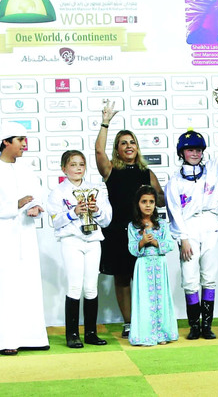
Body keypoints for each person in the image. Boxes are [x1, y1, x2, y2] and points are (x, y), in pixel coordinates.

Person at [95, 100, 165, 338]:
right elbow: (98, 152)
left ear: (137, 147)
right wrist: (105, 122)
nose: (128, 146)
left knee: (144, 278)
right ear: (117, 149)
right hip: (118, 233)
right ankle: (128, 323)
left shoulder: (147, 173)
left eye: (132, 142)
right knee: (123, 279)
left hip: (143, 232)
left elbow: (161, 199)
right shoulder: (110, 170)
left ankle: (147, 320)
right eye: (123, 143)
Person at [0, 121, 49, 356]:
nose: (24, 145)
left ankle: (32, 337)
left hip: (25, 236)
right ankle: (5, 340)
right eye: (20, 140)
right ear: (5, 142)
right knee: (3, 287)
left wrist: (36, 206)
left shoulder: (26, 169)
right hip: (0, 239)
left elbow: (37, 195)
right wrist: (15, 204)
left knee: (28, 284)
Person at [165, 129, 218, 340]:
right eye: (190, 150)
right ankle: (194, 326)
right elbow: (174, 211)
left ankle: (207, 326)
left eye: (198, 150)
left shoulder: (212, 169)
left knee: (209, 277)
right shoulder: (174, 181)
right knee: (190, 278)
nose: (195, 153)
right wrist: (183, 238)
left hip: (210, 223)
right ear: (181, 153)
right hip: (188, 227)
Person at [46, 150, 111, 348]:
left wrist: (96, 210)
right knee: (75, 286)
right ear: (63, 168)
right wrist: (73, 212)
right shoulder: (57, 192)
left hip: (93, 241)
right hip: (71, 241)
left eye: (81, 164)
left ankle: (91, 333)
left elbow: (107, 220)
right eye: (73, 165)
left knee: (91, 286)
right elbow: (56, 222)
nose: (77, 168)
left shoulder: (96, 189)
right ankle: (72, 334)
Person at [127, 185, 178, 346]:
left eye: (151, 201)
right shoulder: (133, 226)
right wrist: (142, 242)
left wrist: (156, 242)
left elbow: (170, 245)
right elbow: (132, 249)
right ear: (138, 204)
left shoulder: (162, 224)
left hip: (159, 265)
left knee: (161, 298)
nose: (148, 205)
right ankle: (146, 335)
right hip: (143, 266)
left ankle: (162, 334)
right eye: (144, 202)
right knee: (145, 300)